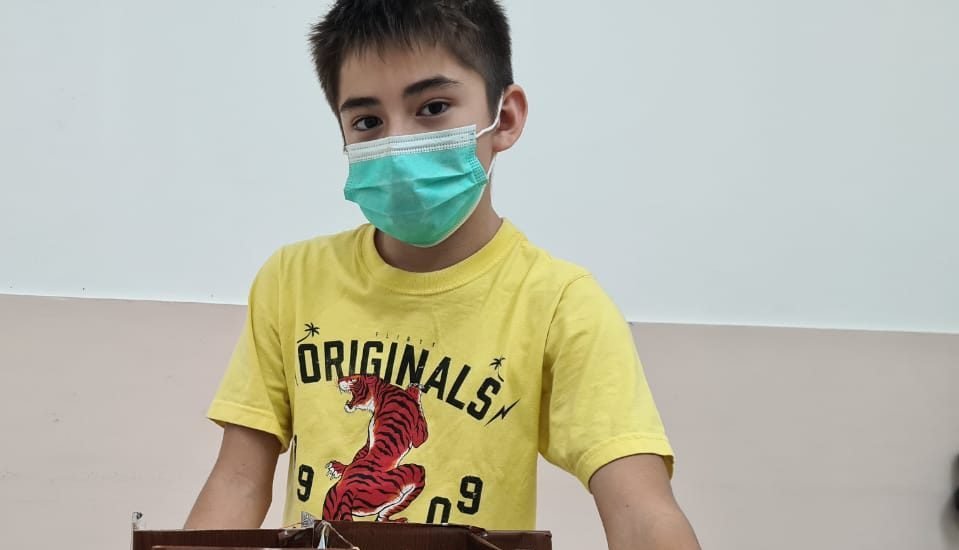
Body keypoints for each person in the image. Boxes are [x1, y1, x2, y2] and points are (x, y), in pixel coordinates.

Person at [185, 1, 700, 548]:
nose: (399, 144)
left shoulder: (560, 304)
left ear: (505, 118)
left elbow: (642, 511)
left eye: (432, 107)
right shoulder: (292, 280)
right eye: (367, 121)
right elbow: (238, 480)